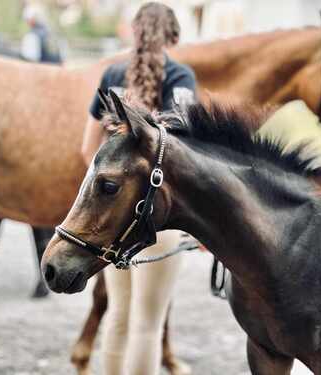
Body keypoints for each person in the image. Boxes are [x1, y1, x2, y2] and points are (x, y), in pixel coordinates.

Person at [81, 3, 196, 374]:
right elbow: (188, 156)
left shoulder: (111, 74)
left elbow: (88, 151)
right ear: (173, 36)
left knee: (117, 316)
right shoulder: (181, 78)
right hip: (159, 223)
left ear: (134, 32)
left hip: (115, 219)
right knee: (147, 324)